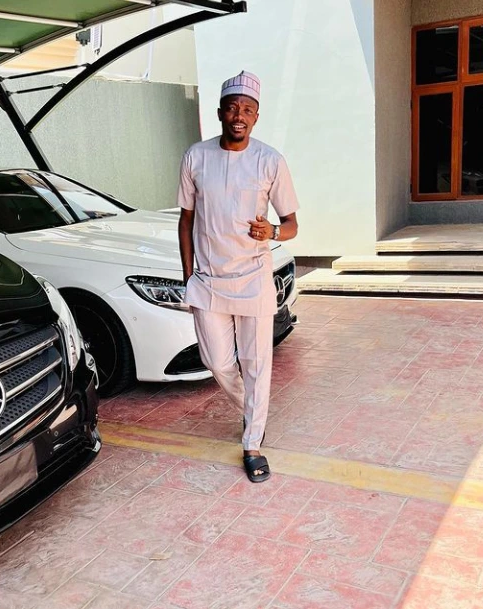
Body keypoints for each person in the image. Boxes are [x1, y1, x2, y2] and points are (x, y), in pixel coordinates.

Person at [177, 70, 299, 483]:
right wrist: (188, 275)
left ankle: (252, 443)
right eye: (232, 108)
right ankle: (253, 409)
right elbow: (186, 220)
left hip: (253, 278)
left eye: (247, 109)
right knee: (216, 361)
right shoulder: (195, 157)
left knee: (257, 362)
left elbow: (292, 224)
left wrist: (274, 232)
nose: (239, 116)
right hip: (208, 279)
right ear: (220, 113)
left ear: (256, 116)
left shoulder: (270, 160)